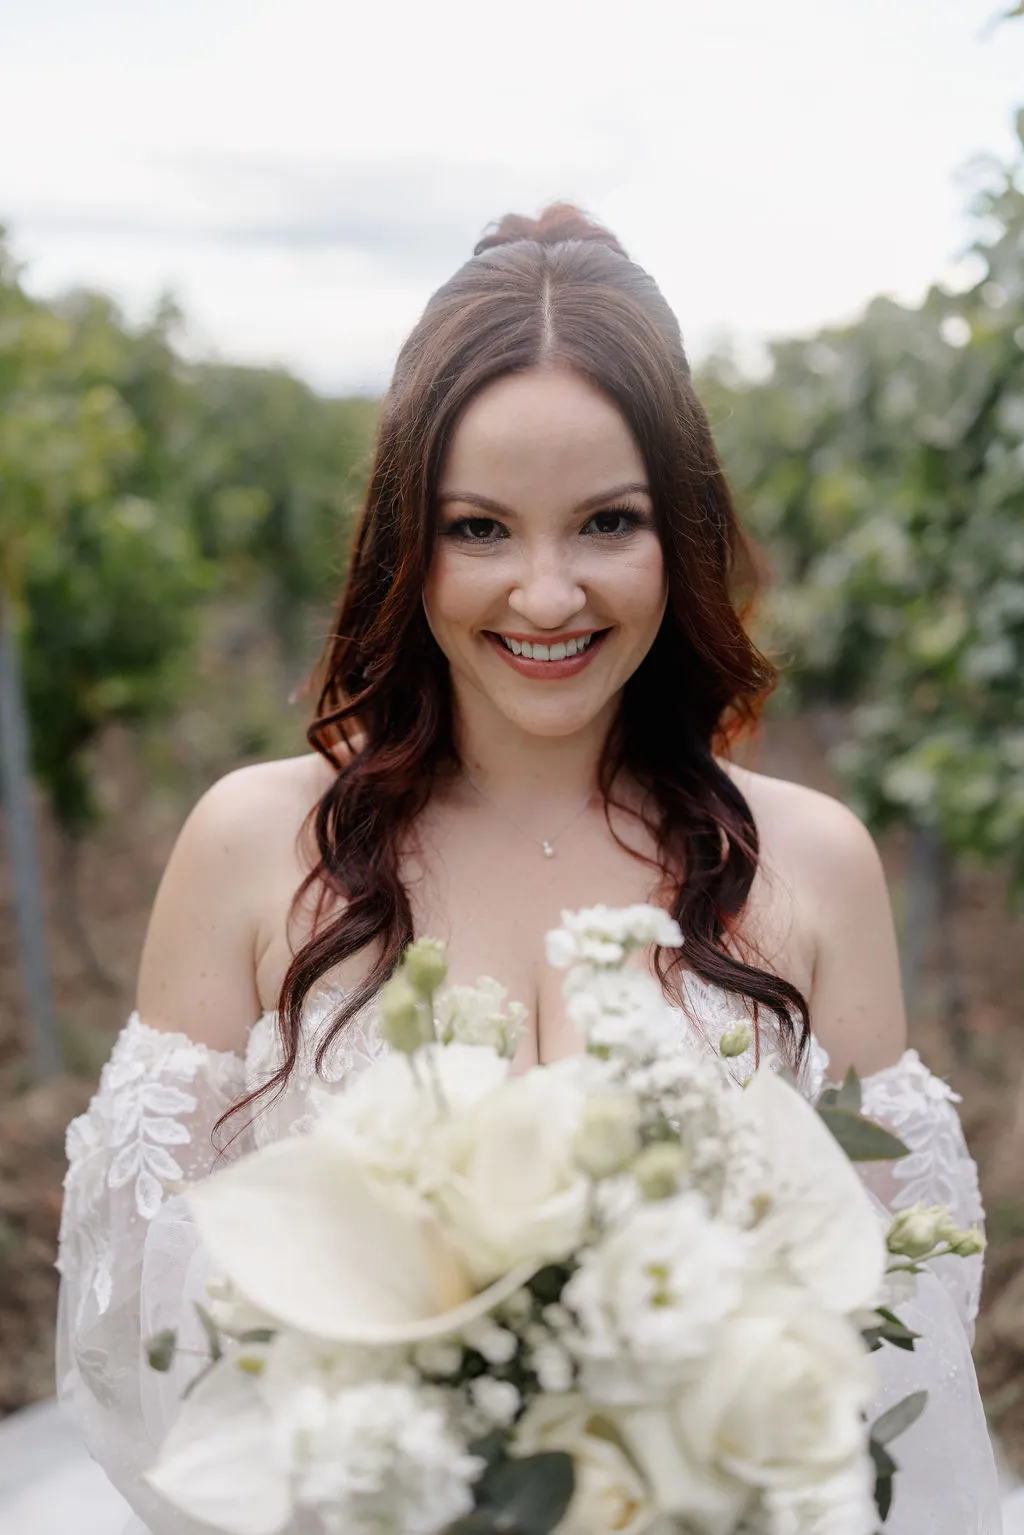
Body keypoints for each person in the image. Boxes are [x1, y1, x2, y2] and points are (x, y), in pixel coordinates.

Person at [55, 203, 1002, 1534]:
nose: (546, 594)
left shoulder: (817, 865)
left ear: (680, 530)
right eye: (483, 529)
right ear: (406, 542)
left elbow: (885, 1351)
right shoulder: (249, 848)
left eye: (607, 521)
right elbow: (135, 1349)